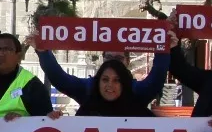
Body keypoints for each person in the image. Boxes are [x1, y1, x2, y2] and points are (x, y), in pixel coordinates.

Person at [37, 45, 170, 110]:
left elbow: (156, 81)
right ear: (102, 58)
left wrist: (163, 48)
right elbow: (61, 79)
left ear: (128, 61)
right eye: (109, 58)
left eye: (119, 58)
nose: (114, 63)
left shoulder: (137, 90)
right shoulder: (89, 88)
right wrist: (43, 53)